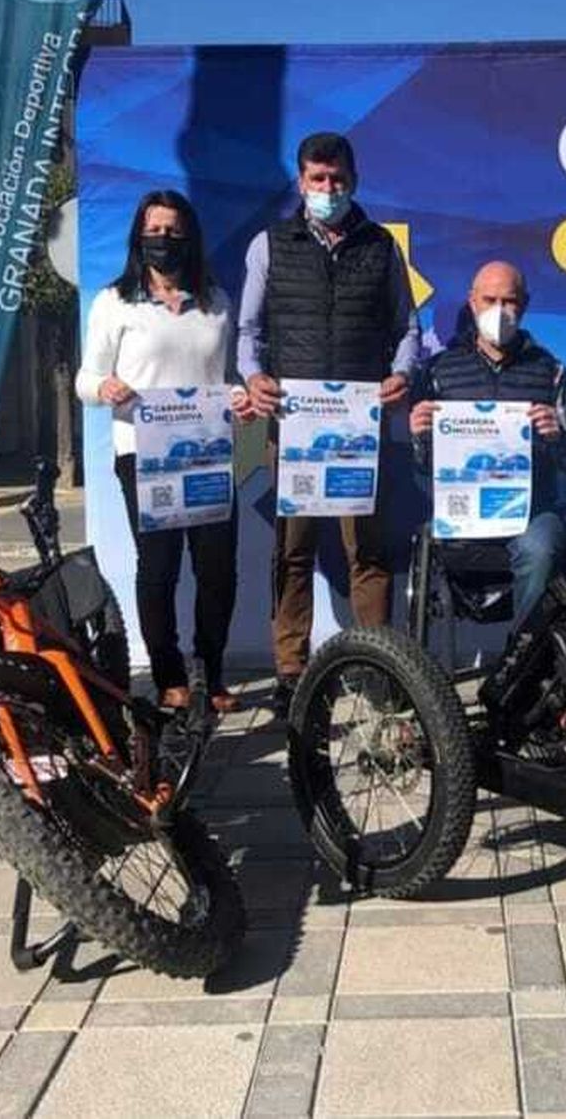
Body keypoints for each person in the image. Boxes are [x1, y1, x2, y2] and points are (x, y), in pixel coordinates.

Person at [235, 132, 420, 711]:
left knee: (368, 552)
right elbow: (249, 333)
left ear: (354, 180)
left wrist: (402, 374)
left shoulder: (381, 246)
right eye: (318, 179)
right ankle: (291, 671)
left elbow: (407, 328)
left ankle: (379, 667)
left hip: (358, 430)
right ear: (301, 183)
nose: (328, 189)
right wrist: (253, 378)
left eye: (337, 179)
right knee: (292, 553)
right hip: (291, 426)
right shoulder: (270, 245)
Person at [76, 190, 251, 713]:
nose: (164, 240)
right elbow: (85, 376)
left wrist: (242, 400)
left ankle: (211, 674)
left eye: (174, 232)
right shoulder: (114, 302)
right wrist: (103, 388)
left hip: (208, 454)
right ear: (139, 237)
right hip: (143, 455)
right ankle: (169, 674)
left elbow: (230, 378)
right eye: (154, 231)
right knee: (159, 569)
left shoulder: (216, 303)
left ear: (189, 239)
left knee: (217, 568)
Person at [410, 261, 566, 627]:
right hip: (462, 513)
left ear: (524, 305)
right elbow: (424, 464)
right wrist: (419, 434)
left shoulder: (551, 370)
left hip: (531, 511)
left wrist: (557, 436)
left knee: (541, 549)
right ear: (472, 302)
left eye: (508, 302)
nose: (499, 311)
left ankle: (523, 657)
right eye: (489, 300)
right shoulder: (439, 372)